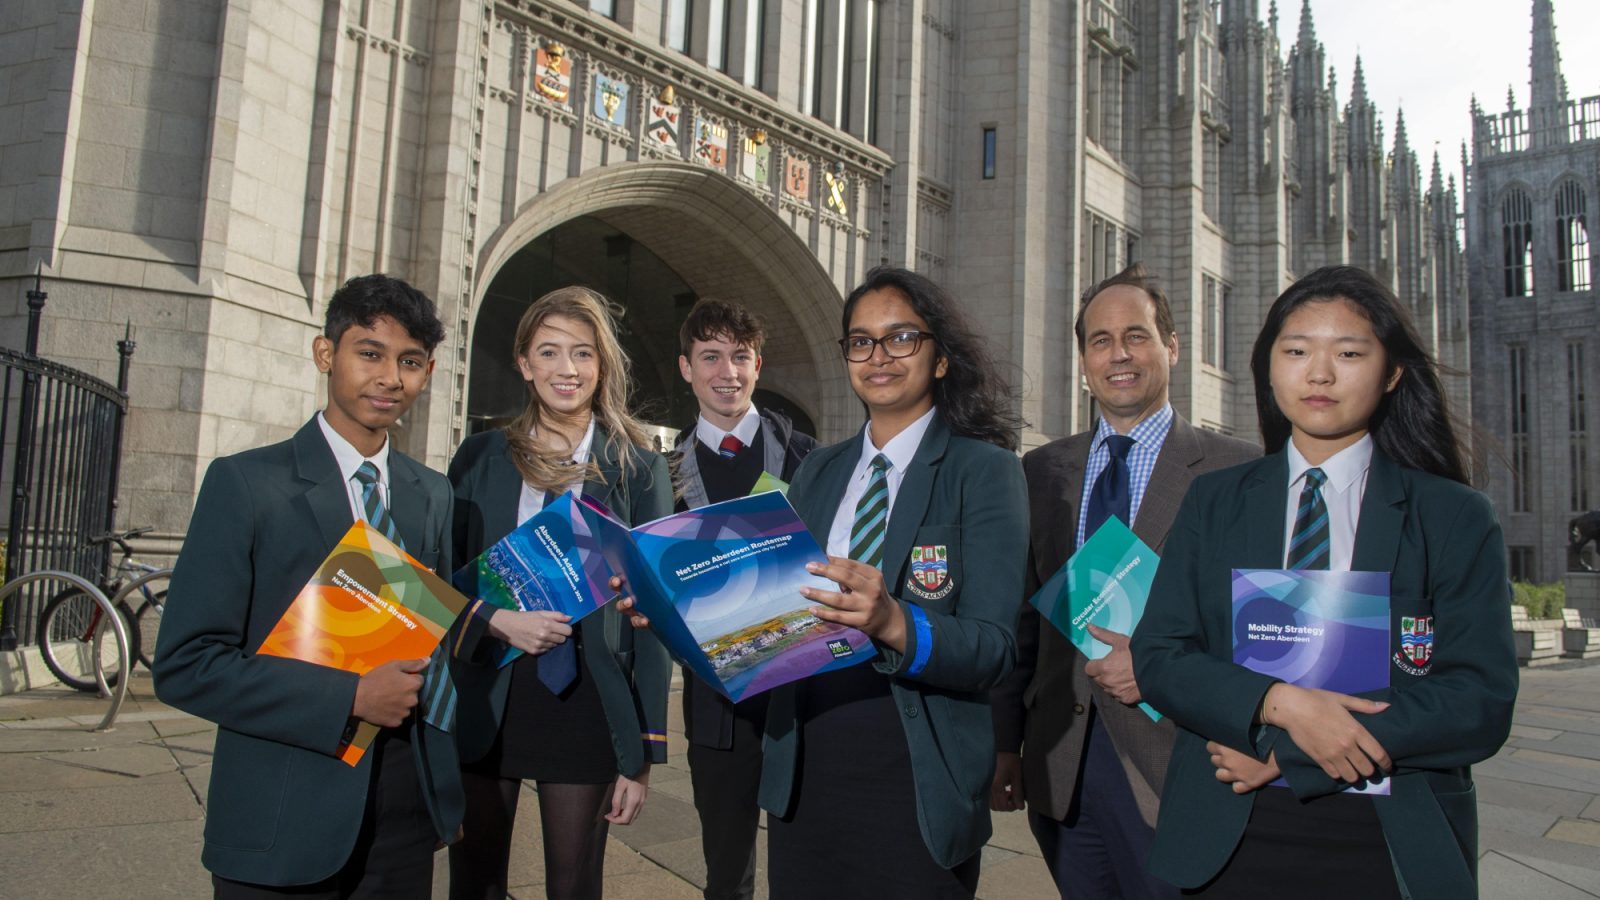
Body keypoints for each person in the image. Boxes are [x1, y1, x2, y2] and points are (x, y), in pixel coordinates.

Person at [1130, 265, 1518, 900]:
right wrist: (1281, 705)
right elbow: (1162, 656)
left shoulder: (1451, 515)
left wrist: (1293, 753)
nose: (1319, 374)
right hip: (1229, 825)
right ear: (1270, 367)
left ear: (1392, 373)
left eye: (1349, 353)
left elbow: (1480, 700)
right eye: (1297, 351)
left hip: (1388, 833)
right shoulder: (1215, 500)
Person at [153, 274, 463, 899]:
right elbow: (186, 665)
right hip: (285, 813)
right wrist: (350, 697)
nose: (388, 378)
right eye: (369, 353)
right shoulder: (246, 484)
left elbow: (432, 630)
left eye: (408, 362)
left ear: (427, 372)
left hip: (404, 813)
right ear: (326, 354)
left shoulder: (431, 493)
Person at [758, 267, 1030, 898]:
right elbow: (777, 613)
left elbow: (993, 650)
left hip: (915, 765)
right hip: (806, 759)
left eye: (901, 338)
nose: (878, 356)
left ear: (939, 358)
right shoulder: (818, 471)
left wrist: (893, 622)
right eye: (861, 341)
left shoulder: (985, 472)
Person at [989, 264, 1258, 900]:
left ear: (1171, 345)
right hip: (1064, 766)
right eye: (1100, 341)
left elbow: (1255, 630)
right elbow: (1023, 623)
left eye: (1136, 336)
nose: (1119, 356)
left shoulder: (1237, 470)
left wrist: (1164, 670)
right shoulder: (1044, 469)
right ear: (1083, 360)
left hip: (1183, 766)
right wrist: (1006, 745)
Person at [445, 286, 672, 900]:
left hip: (588, 702)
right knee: (475, 883)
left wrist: (644, 751)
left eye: (583, 353)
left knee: (574, 887)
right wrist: (495, 622)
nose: (566, 370)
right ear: (523, 363)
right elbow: (443, 583)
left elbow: (656, 621)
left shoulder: (638, 467)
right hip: (490, 692)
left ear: (602, 366)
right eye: (549, 353)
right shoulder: (478, 457)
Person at [671, 298, 816, 900]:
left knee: (807, 857)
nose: (726, 372)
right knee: (725, 867)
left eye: (739, 356)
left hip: (803, 690)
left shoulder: (809, 456)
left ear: (759, 365)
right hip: (716, 699)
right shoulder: (662, 471)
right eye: (710, 357)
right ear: (686, 368)